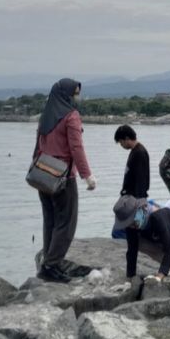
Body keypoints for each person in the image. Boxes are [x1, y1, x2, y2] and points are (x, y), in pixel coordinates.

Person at [33, 78, 96, 283]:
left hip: (43, 174)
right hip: (63, 177)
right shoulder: (71, 116)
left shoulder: (47, 114)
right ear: (66, 95)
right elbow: (76, 148)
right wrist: (87, 176)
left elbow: (38, 146)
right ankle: (52, 264)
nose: (77, 97)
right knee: (67, 222)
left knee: (50, 220)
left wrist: (35, 168)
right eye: (75, 93)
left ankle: (49, 262)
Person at [113, 195, 170, 293]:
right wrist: (129, 281)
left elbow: (169, 248)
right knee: (138, 242)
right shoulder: (131, 226)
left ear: (140, 209)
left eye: (131, 220)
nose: (131, 225)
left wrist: (159, 276)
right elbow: (131, 251)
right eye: (128, 223)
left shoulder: (158, 216)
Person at [114, 125, 149, 198]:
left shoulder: (139, 153)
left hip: (134, 198)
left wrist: (140, 200)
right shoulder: (135, 151)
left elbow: (141, 178)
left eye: (121, 142)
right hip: (130, 196)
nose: (121, 145)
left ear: (127, 138)